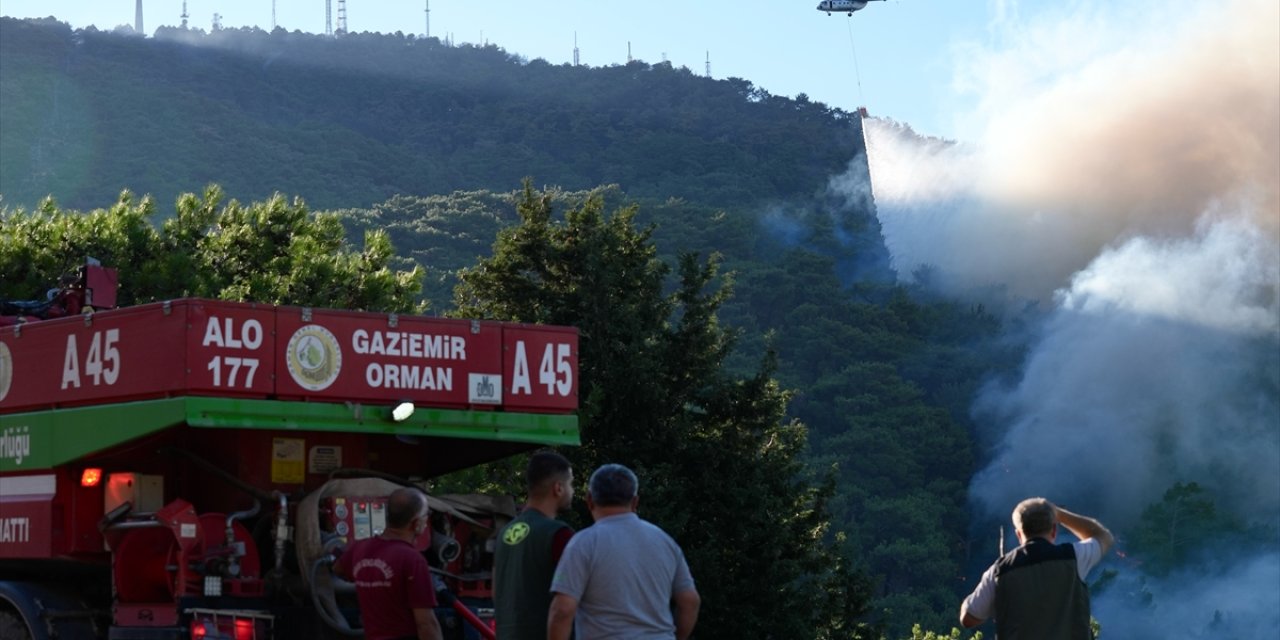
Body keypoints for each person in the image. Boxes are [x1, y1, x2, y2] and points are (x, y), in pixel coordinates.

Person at [547, 463, 700, 640]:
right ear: (635, 502)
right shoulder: (665, 541)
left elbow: (562, 610)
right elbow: (690, 601)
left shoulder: (582, 544)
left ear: (589, 500)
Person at [960, 497, 1115, 640]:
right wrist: (1059, 513)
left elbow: (968, 618)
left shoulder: (1000, 570)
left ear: (1019, 534)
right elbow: (1103, 536)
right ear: (1054, 530)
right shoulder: (1073, 557)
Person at [333, 487, 443, 640]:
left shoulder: (360, 548)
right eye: (427, 515)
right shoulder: (413, 560)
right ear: (416, 523)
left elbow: (338, 569)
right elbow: (426, 624)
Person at [494, 450, 576, 640]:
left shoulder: (505, 533)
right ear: (558, 488)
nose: (572, 491)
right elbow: (566, 604)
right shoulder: (558, 534)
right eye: (570, 484)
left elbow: (496, 593)